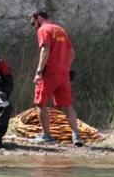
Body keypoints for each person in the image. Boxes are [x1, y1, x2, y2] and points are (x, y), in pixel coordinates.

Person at [28, 10, 82, 146]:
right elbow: (71, 53)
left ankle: (47, 136)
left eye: (33, 23)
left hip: (49, 73)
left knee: (40, 103)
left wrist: (39, 71)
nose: (34, 27)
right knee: (67, 105)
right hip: (63, 74)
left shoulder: (44, 29)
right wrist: (65, 67)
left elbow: (45, 49)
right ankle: (76, 135)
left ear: (38, 18)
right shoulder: (61, 30)